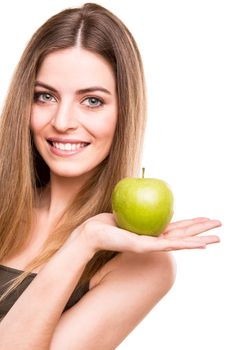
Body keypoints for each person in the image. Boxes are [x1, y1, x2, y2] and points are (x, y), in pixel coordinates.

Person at [0, 3, 221, 349]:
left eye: (91, 101)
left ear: (124, 111)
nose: (61, 122)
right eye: (45, 96)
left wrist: (82, 243)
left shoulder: (142, 265)